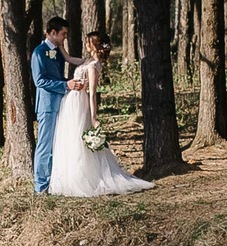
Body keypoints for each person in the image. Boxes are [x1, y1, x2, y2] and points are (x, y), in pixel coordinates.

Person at [46, 31, 154, 198]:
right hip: (71, 100)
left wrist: (93, 116)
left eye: (88, 42)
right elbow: (68, 58)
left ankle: (83, 177)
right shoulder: (87, 61)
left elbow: (92, 93)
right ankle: (68, 176)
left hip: (80, 102)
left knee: (78, 138)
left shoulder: (93, 65)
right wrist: (59, 45)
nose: (86, 44)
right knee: (70, 136)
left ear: (95, 45)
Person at [30, 17, 74, 195]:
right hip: (47, 105)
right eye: (63, 34)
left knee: (56, 144)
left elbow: (57, 77)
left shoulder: (57, 52)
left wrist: (70, 83)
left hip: (59, 102)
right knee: (45, 145)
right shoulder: (39, 52)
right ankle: (40, 186)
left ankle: (53, 182)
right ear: (53, 33)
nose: (65, 37)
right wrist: (65, 85)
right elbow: (39, 81)